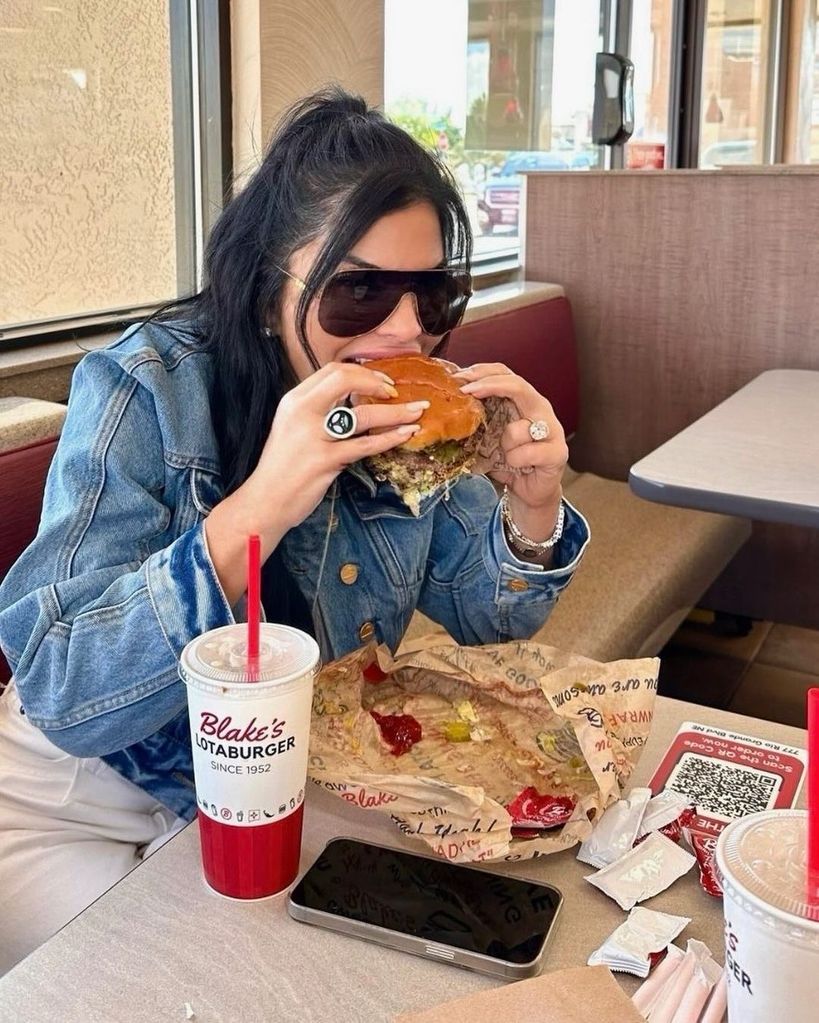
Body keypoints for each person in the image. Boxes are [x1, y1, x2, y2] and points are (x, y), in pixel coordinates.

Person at [0, 89, 589, 971]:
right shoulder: (145, 388)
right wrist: (265, 501)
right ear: (269, 278)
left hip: (281, 786)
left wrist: (533, 503)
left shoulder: (409, 413)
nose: (403, 330)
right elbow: (61, 684)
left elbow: (487, 618)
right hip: (82, 798)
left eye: (431, 293)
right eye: (359, 291)